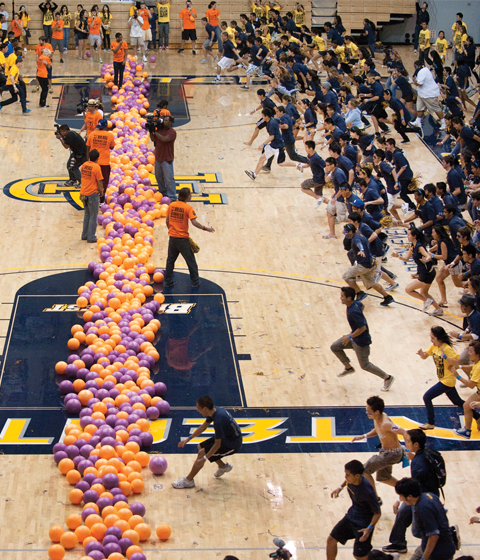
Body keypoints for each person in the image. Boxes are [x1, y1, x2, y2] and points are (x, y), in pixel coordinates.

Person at [382, 428, 440, 554]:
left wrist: (399, 499)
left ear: (416, 444)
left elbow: (413, 486)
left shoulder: (418, 463)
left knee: (419, 530)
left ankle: (448, 534)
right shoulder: (427, 453)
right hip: (424, 493)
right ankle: (398, 543)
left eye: (408, 441)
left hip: (422, 499)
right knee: (402, 514)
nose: (405, 443)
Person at [330, 287, 395, 391]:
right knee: (335, 347)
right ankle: (348, 368)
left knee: (365, 365)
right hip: (354, 337)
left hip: (361, 342)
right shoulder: (355, 304)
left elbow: (363, 328)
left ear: (349, 298)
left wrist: (350, 336)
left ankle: (387, 377)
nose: (340, 298)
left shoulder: (353, 311)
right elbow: (362, 306)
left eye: (342, 296)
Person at [172, 395, 242, 489]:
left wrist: (204, 458)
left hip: (232, 443)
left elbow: (217, 444)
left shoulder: (219, 421)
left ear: (205, 408)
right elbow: (203, 427)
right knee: (200, 447)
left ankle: (188, 480)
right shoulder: (214, 411)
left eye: (198, 408)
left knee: (202, 453)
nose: (197, 410)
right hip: (227, 436)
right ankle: (223, 467)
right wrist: (188, 439)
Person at [351, 396, 403, 500]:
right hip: (386, 452)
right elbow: (378, 430)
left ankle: (375, 498)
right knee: (384, 478)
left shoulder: (386, 423)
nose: (367, 414)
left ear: (377, 412)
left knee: (365, 469)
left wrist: (409, 449)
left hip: (392, 454)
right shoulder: (378, 418)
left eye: (369, 412)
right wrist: (364, 436)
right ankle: (406, 490)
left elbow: (402, 431)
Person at [328, 459, 381, 560]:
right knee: (331, 540)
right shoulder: (352, 479)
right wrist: (340, 487)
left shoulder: (367, 492)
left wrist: (369, 528)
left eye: (347, 475)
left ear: (357, 476)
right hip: (352, 516)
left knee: (359, 556)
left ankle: (386, 558)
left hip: (363, 524)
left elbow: (378, 513)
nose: (345, 477)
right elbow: (347, 480)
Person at [394, 478, 457, 560]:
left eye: (401, 496)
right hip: (431, 544)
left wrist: (424, 558)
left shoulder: (423, 509)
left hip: (438, 552)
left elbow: (434, 536)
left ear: (409, 496)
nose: (400, 498)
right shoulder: (429, 495)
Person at [164, 188, 215, 288]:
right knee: (191, 262)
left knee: (170, 260)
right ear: (186, 197)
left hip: (172, 239)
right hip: (183, 240)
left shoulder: (171, 205)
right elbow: (194, 222)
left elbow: (167, 220)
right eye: (190, 195)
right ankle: (195, 282)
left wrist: (171, 230)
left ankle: (167, 281)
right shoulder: (188, 208)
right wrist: (206, 228)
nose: (191, 196)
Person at [392, 227, 443, 316]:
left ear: (414, 236)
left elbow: (428, 256)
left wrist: (426, 260)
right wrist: (398, 256)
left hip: (427, 273)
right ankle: (438, 310)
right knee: (424, 293)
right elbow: (406, 258)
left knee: (408, 289)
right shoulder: (412, 246)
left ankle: (427, 301)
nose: (407, 236)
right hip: (426, 272)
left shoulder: (419, 246)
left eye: (409, 235)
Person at [342, 223, 395, 307]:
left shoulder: (355, 239)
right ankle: (387, 297)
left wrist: (362, 250)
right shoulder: (360, 235)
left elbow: (359, 244)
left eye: (345, 231)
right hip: (371, 263)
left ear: (351, 232)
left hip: (363, 265)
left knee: (346, 276)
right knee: (372, 283)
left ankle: (359, 293)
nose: (343, 233)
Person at [244, 108, 285, 181]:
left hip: (278, 146)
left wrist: (263, 144)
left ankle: (298, 165)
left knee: (281, 163)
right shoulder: (271, 120)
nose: (262, 117)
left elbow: (272, 136)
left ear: (266, 116)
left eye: (262, 115)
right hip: (273, 145)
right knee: (262, 158)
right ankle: (254, 175)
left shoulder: (271, 124)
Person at [455, 340, 480, 438]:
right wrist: (460, 366)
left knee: (467, 405)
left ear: (477, 353)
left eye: (470, 351)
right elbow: (472, 367)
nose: (468, 353)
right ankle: (467, 430)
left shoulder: (479, 367)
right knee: (467, 405)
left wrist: (458, 376)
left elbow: (471, 385)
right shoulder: (477, 363)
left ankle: (467, 430)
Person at [411, 60, 445, 131]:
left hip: (429, 94)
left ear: (419, 66)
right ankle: (418, 121)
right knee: (419, 107)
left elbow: (420, 83)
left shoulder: (422, 71)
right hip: (422, 94)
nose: (414, 68)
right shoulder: (422, 70)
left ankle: (443, 123)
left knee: (436, 108)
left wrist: (414, 81)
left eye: (415, 66)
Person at [149, 115, 177, 201]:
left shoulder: (172, 132)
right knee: (159, 177)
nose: (164, 122)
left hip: (167, 158)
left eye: (166, 121)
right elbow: (153, 139)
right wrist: (151, 131)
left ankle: (172, 196)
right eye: (164, 120)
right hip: (158, 157)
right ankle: (163, 193)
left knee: (169, 179)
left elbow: (164, 139)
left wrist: (156, 132)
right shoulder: (159, 130)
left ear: (170, 122)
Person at [86, 118, 114, 198]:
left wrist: (88, 159)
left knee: (92, 182)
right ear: (106, 126)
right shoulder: (110, 135)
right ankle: (101, 200)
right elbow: (112, 147)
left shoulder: (92, 134)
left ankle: (92, 198)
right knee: (104, 182)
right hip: (104, 163)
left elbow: (87, 147)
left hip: (92, 163)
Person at [79, 149, 103, 243]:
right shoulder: (96, 167)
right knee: (93, 215)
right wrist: (101, 191)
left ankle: (84, 235)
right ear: (98, 158)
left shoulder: (84, 165)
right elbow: (99, 181)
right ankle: (91, 237)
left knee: (87, 214)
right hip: (92, 194)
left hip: (83, 193)